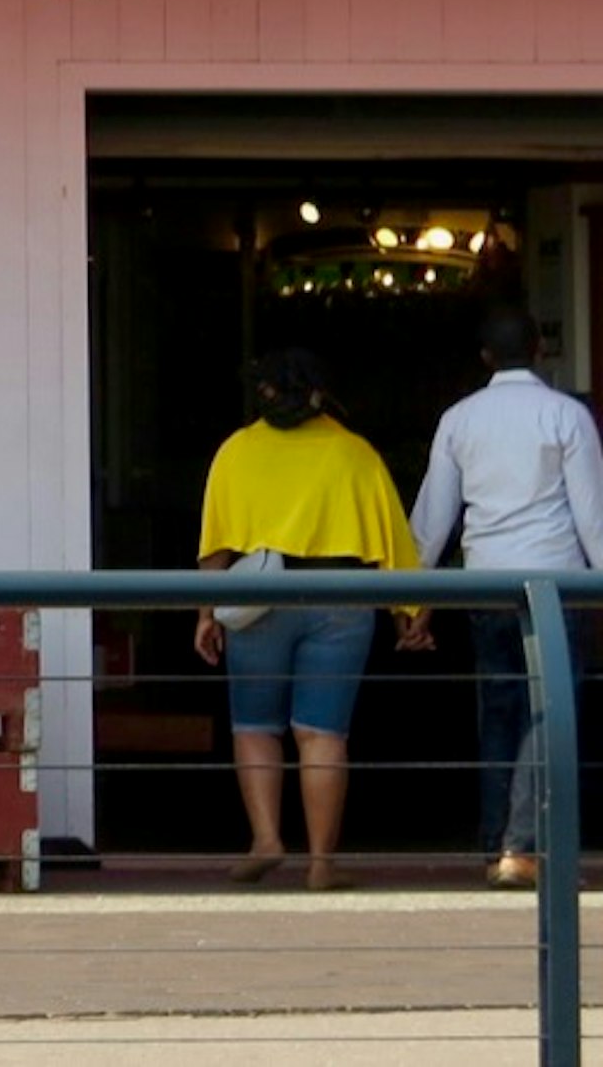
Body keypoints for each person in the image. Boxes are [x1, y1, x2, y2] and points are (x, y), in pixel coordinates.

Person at [192, 348, 431, 888]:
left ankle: (266, 839)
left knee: (255, 726)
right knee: (321, 733)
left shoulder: (237, 451)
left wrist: (205, 613)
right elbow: (391, 541)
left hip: (258, 599)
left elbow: (216, 545)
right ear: (321, 395)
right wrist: (410, 611)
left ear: (265, 396)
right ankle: (322, 862)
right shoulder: (354, 453)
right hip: (341, 599)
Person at [407, 303, 603, 888]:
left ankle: (496, 842)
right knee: (549, 710)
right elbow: (592, 514)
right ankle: (523, 844)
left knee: (498, 710)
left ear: (486, 357)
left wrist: (411, 601)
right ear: (539, 349)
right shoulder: (566, 415)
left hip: (485, 583)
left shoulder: (459, 419)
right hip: (555, 584)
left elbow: (432, 518)